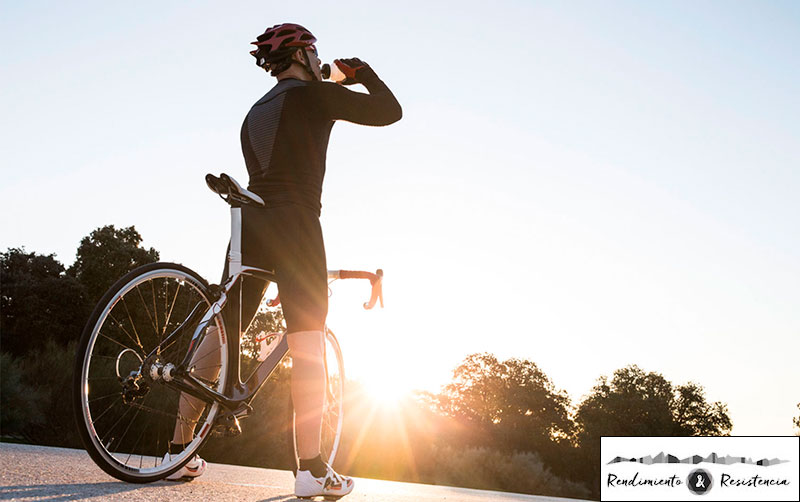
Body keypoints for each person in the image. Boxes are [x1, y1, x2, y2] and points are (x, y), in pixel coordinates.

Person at [163, 23, 401, 499]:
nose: (321, 61)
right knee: (309, 344)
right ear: (302, 55)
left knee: (223, 331)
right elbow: (389, 112)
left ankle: (176, 451)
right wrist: (359, 73)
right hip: (295, 224)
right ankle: (311, 467)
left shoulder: (256, 110)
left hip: (249, 222)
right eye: (316, 53)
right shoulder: (314, 97)